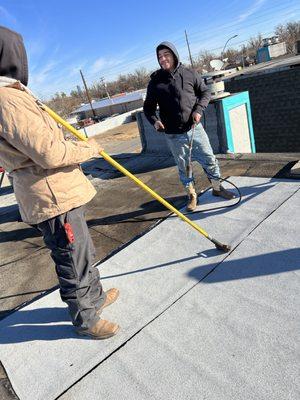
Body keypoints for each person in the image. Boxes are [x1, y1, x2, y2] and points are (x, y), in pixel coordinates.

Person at [0, 26, 119, 339]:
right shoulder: (7, 100)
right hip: (50, 194)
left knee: (84, 252)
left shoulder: (14, 95)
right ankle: (86, 319)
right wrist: (89, 148)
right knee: (72, 258)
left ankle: (93, 300)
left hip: (59, 191)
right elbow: (49, 153)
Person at [143, 41, 235, 211]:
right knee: (184, 166)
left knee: (209, 159)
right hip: (172, 134)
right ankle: (192, 195)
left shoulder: (190, 73)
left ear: (174, 54)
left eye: (166, 54)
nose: (163, 59)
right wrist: (155, 121)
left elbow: (205, 92)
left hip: (194, 129)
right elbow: (148, 108)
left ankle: (217, 188)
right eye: (159, 56)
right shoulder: (155, 82)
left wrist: (199, 110)